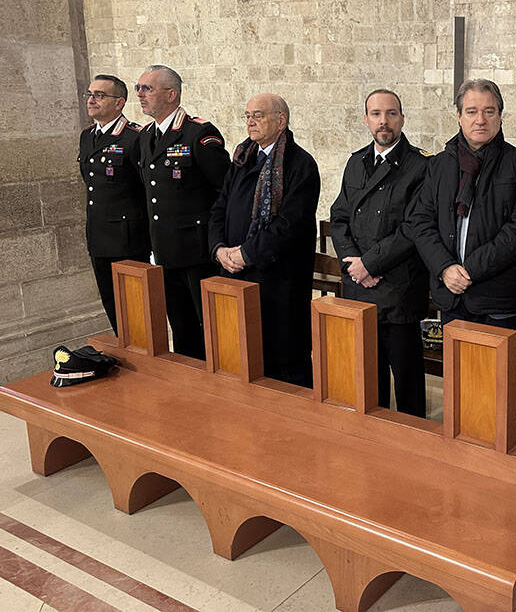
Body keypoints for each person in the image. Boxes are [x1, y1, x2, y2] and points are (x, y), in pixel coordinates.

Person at [404, 79, 516, 331]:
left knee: (497, 372)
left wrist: (468, 271)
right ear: (459, 117)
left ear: (500, 116)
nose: (480, 120)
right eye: (472, 111)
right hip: (451, 295)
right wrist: (444, 268)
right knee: (457, 371)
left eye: (489, 111)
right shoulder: (439, 165)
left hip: (498, 297)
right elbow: (420, 221)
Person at [330, 89, 430, 415]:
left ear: (402, 118)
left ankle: (414, 447)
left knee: (408, 388)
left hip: (398, 291)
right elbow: (340, 218)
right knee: (368, 386)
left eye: (391, 113)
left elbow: (413, 228)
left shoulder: (419, 166)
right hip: (360, 290)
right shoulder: (356, 163)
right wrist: (353, 266)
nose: (383, 121)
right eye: (376, 114)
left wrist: (370, 264)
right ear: (366, 119)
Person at [208, 93, 319, 387]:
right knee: (243, 356)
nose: (250, 122)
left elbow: (290, 226)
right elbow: (220, 206)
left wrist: (246, 253)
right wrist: (218, 249)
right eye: (247, 116)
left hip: (279, 281)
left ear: (280, 120)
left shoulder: (300, 164)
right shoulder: (243, 159)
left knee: (284, 364)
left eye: (258, 115)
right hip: (236, 274)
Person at [137, 65, 230, 359]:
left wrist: (218, 243)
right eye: (138, 88)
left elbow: (223, 192)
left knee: (211, 329)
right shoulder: (145, 136)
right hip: (165, 250)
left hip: (197, 250)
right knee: (181, 327)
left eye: (147, 88)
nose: (139, 94)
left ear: (171, 94)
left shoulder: (199, 134)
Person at [78, 74, 150, 333]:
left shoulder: (136, 137)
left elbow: (146, 188)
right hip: (99, 237)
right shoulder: (87, 136)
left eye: (100, 95)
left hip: (128, 238)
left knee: (137, 311)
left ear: (119, 103)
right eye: (90, 94)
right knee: (112, 307)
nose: (92, 100)